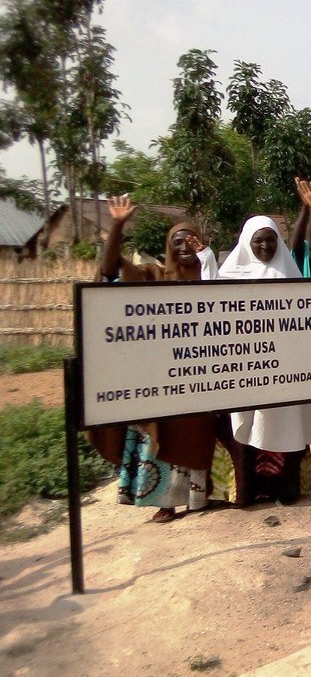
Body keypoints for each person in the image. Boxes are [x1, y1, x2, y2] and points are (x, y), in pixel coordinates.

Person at [94, 195, 221, 523]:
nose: (184, 247)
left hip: (204, 373)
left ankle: (198, 498)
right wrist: (118, 224)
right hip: (164, 377)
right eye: (177, 241)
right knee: (159, 435)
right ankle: (164, 501)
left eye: (191, 240)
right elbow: (110, 271)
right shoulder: (154, 276)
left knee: (199, 434)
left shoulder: (213, 277)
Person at [217, 216, 311, 506]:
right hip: (248, 368)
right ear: (247, 242)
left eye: (270, 239)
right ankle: (250, 490)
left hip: (286, 371)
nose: (265, 245)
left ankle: (286, 489)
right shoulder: (230, 278)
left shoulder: (290, 274)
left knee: (286, 426)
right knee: (251, 426)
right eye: (258, 240)